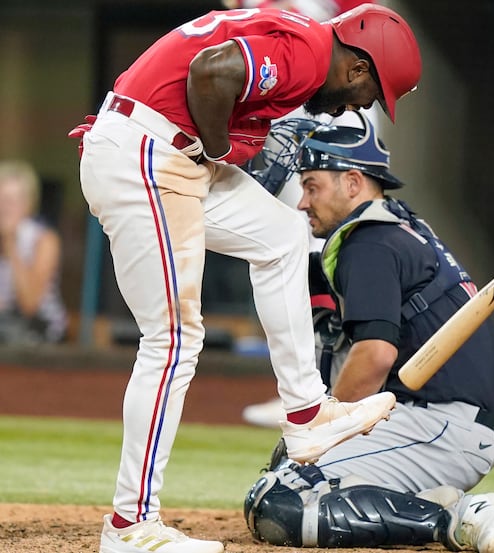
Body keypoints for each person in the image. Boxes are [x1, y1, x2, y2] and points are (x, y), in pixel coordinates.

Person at [66, 4, 422, 553]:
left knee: (282, 234)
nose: (361, 105)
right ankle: (130, 526)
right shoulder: (309, 54)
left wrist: (219, 148)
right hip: (150, 156)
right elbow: (212, 71)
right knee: (173, 341)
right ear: (356, 67)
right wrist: (223, 147)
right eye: (371, 92)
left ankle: (306, 412)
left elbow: (214, 71)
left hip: (166, 152)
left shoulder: (303, 39)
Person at [242, 112, 494, 553]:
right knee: (287, 475)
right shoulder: (398, 227)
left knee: (280, 500)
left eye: (312, 186)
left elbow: (375, 355)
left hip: (441, 423)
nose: (302, 203)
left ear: (352, 183)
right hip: (440, 418)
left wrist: (323, 425)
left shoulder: (369, 243)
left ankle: (456, 520)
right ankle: (428, 503)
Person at [0, 160, 67, 344]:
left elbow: (30, 303)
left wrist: (10, 243)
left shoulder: (44, 240)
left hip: (40, 333)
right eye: (2, 199)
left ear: (28, 204)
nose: (5, 208)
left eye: (12, 201)